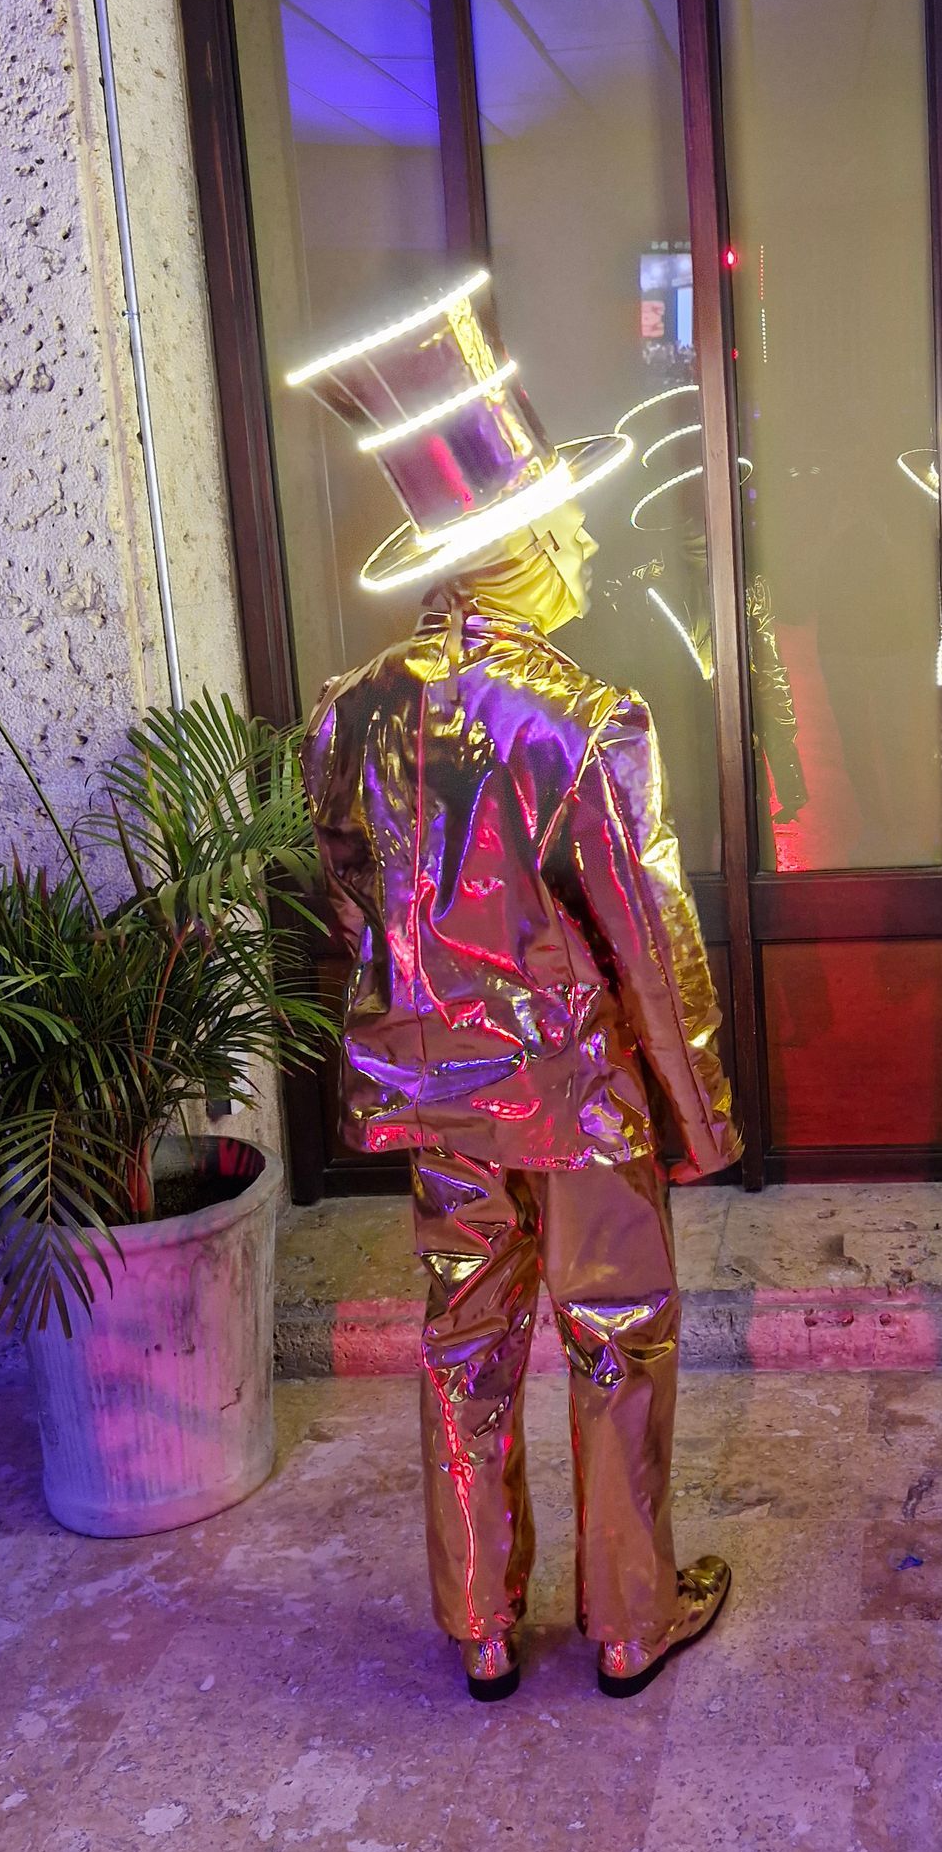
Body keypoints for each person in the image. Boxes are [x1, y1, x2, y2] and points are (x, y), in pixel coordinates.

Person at [291, 270, 739, 1703]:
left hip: (440, 1098)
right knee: (613, 1341)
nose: (585, 535)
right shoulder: (583, 723)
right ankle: (626, 1619)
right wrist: (699, 1116)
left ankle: (481, 1623)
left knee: (461, 1343)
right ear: (519, 543)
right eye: (563, 517)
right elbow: (647, 945)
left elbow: (342, 894)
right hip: (577, 1092)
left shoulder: (346, 716)